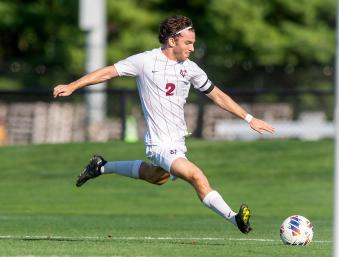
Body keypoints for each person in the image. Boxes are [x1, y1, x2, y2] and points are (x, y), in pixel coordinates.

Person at [53, 15, 275, 234]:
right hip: (159, 144)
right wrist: (73, 85)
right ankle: (235, 219)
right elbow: (107, 72)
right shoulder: (145, 62)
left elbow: (217, 95)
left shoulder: (191, 69)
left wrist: (249, 118)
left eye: (193, 43)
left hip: (178, 142)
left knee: (156, 177)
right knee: (197, 176)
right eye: (188, 43)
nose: (192, 48)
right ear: (172, 41)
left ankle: (100, 166)